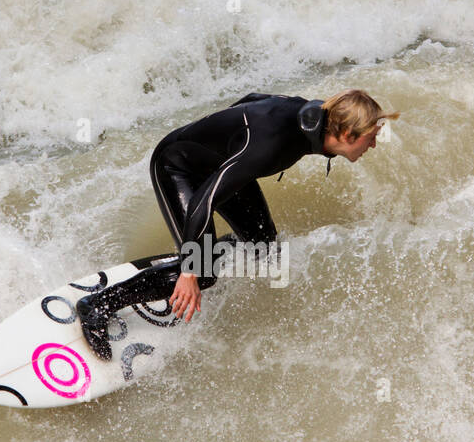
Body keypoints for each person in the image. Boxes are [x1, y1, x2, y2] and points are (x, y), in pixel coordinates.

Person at [76, 88, 400, 360]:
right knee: (203, 273)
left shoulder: (312, 116)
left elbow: (252, 97)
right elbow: (204, 201)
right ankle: (98, 306)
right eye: (370, 138)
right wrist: (190, 271)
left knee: (264, 248)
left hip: (226, 167)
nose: (372, 145)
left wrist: (230, 145)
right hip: (180, 167)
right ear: (345, 134)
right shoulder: (271, 144)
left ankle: (211, 248)